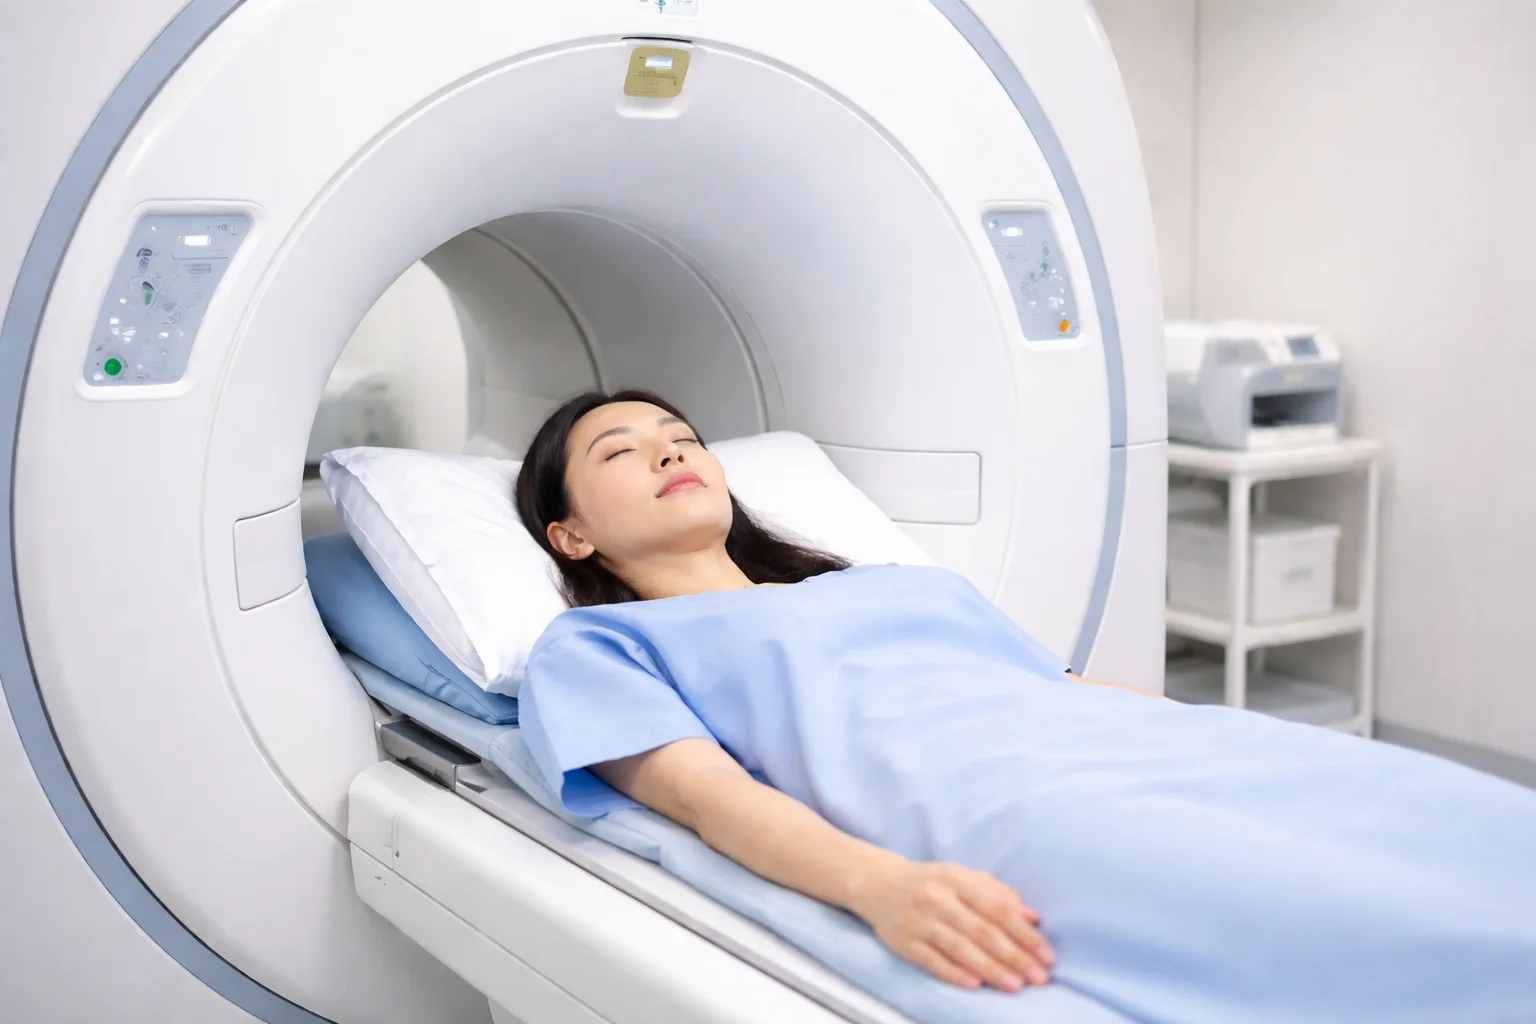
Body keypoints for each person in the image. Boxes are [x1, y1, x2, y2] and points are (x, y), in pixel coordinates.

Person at [513, 389, 1536, 1023]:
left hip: (1135, 745)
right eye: (620, 451)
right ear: (570, 535)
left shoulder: (885, 582)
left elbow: (1062, 689)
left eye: (681, 434)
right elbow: (708, 804)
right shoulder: (599, 645)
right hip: (1012, 807)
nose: (667, 450)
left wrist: (1217, 734)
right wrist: (881, 887)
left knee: (1451, 815)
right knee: (1345, 912)